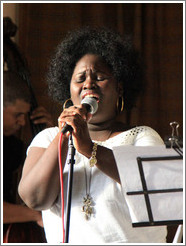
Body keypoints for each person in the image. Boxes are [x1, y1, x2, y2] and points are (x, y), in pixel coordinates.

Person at [18, 26, 168, 243]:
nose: (88, 83)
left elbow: (154, 189)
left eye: (99, 77)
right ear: (68, 90)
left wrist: (89, 148)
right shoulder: (49, 138)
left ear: (120, 88)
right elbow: (35, 199)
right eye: (80, 79)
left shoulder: (142, 136)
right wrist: (64, 136)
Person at [3, 71, 53, 243]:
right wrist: (35, 215)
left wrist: (49, 137)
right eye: (17, 115)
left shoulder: (11, 146)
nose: (23, 122)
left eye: (25, 115)